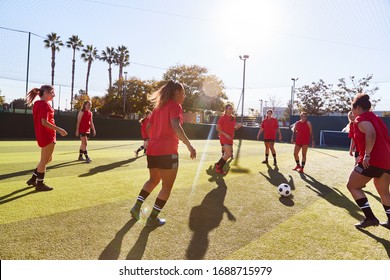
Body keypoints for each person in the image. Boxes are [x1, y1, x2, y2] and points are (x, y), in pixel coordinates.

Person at [129, 80, 196, 227]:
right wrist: (189, 145)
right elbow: (175, 126)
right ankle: (152, 218)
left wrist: (155, 139)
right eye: (183, 92)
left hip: (152, 150)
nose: (184, 96)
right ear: (177, 92)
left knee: (152, 180)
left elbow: (148, 127)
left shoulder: (158, 108)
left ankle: (136, 207)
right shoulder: (175, 106)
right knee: (166, 187)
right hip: (167, 152)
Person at [346, 93, 390, 229]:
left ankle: (370, 218)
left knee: (352, 186)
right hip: (386, 161)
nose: (352, 112)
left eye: (352, 109)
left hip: (372, 161)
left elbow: (370, 133)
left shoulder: (362, 119)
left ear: (358, 107)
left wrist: (367, 155)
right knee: (384, 193)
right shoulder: (375, 118)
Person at [25, 85, 68, 191]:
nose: (54, 95)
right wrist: (59, 129)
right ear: (45, 93)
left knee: (48, 159)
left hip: (43, 135)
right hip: (47, 135)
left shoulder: (37, 104)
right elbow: (44, 122)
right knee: (44, 161)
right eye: (52, 92)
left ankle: (33, 179)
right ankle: (40, 184)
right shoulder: (44, 105)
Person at [215, 104, 242, 174]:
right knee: (229, 154)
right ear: (226, 109)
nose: (231, 110)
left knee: (227, 155)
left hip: (230, 138)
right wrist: (226, 135)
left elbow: (233, 128)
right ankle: (218, 166)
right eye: (229, 108)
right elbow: (217, 128)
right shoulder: (222, 118)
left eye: (232, 109)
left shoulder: (233, 118)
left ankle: (218, 166)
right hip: (224, 138)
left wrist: (238, 126)